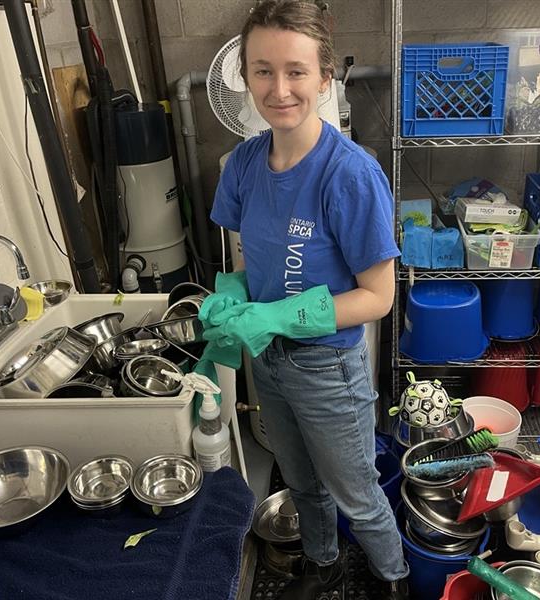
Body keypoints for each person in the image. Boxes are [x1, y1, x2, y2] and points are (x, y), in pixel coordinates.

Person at [202, 1, 409, 599]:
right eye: (263, 70)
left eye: (296, 71)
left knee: (357, 492)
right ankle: (323, 567)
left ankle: (392, 580)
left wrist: (277, 315)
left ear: (325, 78)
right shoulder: (242, 164)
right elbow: (249, 262)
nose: (279, 88)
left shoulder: (350, 174)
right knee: (301, 482)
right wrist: (232, 299)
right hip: (269, 364)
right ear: (244, 75)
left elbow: (377, 297)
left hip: (327, 369)